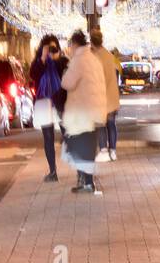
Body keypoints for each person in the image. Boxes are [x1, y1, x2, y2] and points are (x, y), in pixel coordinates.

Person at [60, 30, 108, 194]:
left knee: (76, 145)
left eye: (70, 46)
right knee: (86, 147)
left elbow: (67, 83)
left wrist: (66, 70)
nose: (70, 49)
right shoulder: (94, 60)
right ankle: (86, 181)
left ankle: (86, 182)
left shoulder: (78, 61)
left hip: (81, 112)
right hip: (93, 111)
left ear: (74, 44)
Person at [29, 34, 67, 181]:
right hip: (44, 103)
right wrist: (43, 59)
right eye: (48, 47)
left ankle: (80, 169)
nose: (51, 50)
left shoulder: (61, 61)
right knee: (48, 137)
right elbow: (33, 75)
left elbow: (66, 72)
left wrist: (58, 58)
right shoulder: (38, 63)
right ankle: (53, 171)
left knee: (67, 133)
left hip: (59, 101)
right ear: (42, 48)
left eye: (53, 47)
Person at [89, 29, 121, 160]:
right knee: (111, 125)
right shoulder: (109, 56)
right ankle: (113, 151)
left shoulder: (94, 57)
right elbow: (117, 72)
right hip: (112, 96)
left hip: (100, 97)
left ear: (92, 42)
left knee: (101, 125)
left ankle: (103, 150)